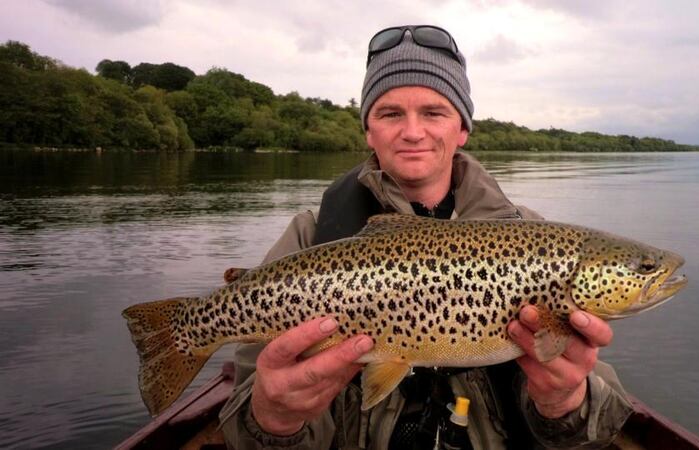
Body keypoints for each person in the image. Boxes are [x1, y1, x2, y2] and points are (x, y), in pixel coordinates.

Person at [219, 25, 633, 449]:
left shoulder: (537, 243)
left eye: (434, 113)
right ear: (368, 130)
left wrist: (565, 401)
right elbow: (244, 426)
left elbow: (593, 435)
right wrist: (273, 418)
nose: (413, 132)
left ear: (462, 129)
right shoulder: (310, 237)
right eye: (390, 113)